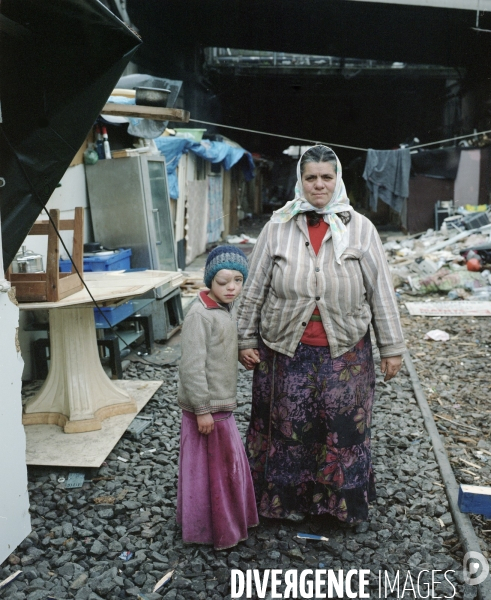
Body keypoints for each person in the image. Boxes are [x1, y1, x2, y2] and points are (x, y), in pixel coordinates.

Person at [237, 145, 405, 525]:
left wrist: (391, 347)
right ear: (301, 180)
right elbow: (254, 289)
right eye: (310, 177)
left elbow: (380, 290)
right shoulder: (277, 227)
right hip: (285, 350)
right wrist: (245, 339)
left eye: (326, 177)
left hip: (345, 351)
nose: (318, 184)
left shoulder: (360, 228)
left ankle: (340, 508)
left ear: (338, 179)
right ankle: (286, 505)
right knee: (288, 430)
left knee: (343, 431)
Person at [176, 245, 259, 549]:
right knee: (211, 469)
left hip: (220, 405)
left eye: (238, 280)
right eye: (223, 282)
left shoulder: (226, 309)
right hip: (208, 408)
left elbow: (218, 349)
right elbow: (192, 366)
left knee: (222, 466)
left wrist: (239, 353)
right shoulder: (200, 315)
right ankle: (211, 528)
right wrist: (201, 410)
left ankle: (224, 520)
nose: (232, 288)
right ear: (209, 281)